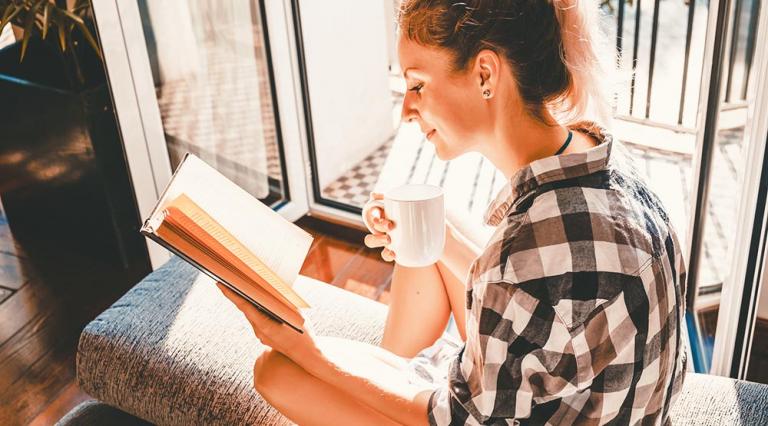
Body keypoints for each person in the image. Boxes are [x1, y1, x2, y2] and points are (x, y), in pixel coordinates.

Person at [216, 0, 688, 424]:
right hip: (586, 397)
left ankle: (376, 383)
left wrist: (312, 352)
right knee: (430, 223)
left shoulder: (524, 253)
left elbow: (455, 418)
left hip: (497, 413)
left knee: (276, 371)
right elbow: (533, 296)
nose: (407, 110)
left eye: (417, 84)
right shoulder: (601, 160)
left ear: (485, 74)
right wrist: (425, 236)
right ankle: (386, 375)